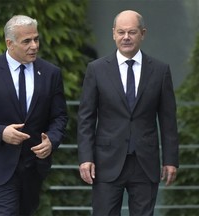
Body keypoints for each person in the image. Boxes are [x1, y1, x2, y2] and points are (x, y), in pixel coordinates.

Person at [77, 10, 179, 216]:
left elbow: (168, 120)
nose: (126, 37)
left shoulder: (160, 71)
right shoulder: (96, 70)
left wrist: (170, 159)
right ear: (113, 33)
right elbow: (86, 118)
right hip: (106, 162)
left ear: (143, 33)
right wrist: (85, 157)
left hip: (145, 162)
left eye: (132, 32)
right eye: (121, 32)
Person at [0, 15, 68, 216]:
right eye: (26, 41)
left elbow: (60, 117)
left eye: (36, 39)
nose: (34, 46)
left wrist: (52, 141)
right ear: (9, 43)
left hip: (34, 167)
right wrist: (1, 132)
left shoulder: (50, 73)